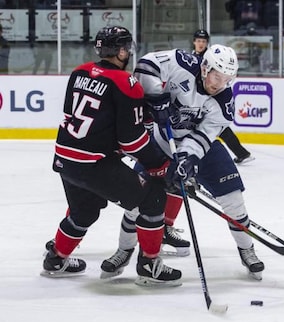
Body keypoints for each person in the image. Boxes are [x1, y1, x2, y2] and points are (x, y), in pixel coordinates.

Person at [101, 44, 265, 280]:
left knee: (233, 200)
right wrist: (157, 97)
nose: (219, 83)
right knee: (136, 203)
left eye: (227, 79)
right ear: (206, 67)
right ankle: (124, 250)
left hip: (200, 150)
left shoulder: (224, 100)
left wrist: (188, 159)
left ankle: (246, 250)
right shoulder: (181, 62)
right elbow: (146, 66)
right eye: (217, 75)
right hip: (159, 142)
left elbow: (205, 135)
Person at [42, 26, 182, 287]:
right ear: (120, 51)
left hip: (65, 159)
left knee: (83, 212)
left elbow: (82, 118)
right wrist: (159, 164)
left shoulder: (79, 72)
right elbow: (132, 140)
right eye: (126, 47)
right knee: (153, 198)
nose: (128, 52)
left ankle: (56, 259)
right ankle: (150, 265)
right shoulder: (126, 83)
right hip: (93, 164)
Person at [192, 29, 254, 165]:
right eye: (198, 41)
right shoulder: (192, 59)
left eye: (203, 41)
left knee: (221, 128)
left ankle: (241, 153)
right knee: (222, 130)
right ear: (194, 42)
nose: (200, 44)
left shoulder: (214, 60)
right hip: (197, 101)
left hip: (211, 102)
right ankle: (242, 153)